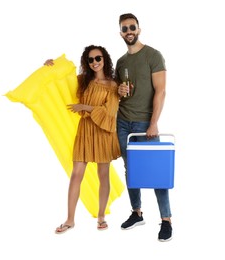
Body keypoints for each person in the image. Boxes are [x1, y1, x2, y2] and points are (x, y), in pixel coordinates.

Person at [44, 45, 121, 234]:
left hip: (103, 132)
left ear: (105, 60)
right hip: (85, 130)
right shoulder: (83, 81)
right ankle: (70, 219)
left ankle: (101, 215)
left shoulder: (113, 85)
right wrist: (50, 66)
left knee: (103, 174)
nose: (95, 62)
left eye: (98, 58)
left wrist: (84, 107)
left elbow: (110, 112)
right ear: (86, 63)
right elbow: (62, 81)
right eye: (90, 59)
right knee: (76, 174)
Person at [115, 13, 173, 241]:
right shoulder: (121, 63)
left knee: (157, 172)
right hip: (122, 122)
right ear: (120, 32)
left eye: (132, 27)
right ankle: (137, 213)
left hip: (144, 124)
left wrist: (154, 123)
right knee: (131, 171)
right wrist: (118, 91)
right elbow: (114, 90)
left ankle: (166, 220)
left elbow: (161, 91)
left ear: (138, 29)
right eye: (124, 28)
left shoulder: (153, 55)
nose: (128, 31)